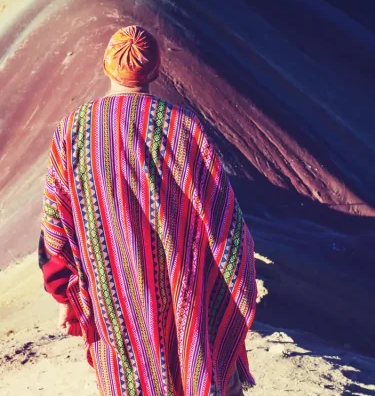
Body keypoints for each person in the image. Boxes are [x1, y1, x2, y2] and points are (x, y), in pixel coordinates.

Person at [39, 24, 257, 396]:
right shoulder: (183, 128)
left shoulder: (72, 131)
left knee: (131, 380)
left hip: (115, 298)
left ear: (106, 66)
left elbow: (56, 228)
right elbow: (226, 228)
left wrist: (66, 296)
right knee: (197, 365)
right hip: (185, 293)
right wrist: (229, 292)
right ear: (155, 71)